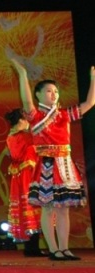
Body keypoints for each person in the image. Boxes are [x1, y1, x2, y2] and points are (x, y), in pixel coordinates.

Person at [11, 58, 94, 261]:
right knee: (48, 209)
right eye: (49, 91)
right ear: (39, 94)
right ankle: (54, 249)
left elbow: (90, 103)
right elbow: (26, 101)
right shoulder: (36, 116)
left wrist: (93, 79)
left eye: (56, 91)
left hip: (64, 164)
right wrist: (22, 75)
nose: (54, 94)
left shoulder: (64, 115)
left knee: (63, 209)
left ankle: (64, 249)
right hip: (47, 165)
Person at [3, 108, 45, 257]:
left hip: (19, 176)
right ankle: (33, 248)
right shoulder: (26, 137)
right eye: (27, 119)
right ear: (21, 120)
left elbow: (10, 154)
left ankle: (31, 247)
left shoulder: (10, 137)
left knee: (25, 208)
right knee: (33, 207)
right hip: (29, 174)